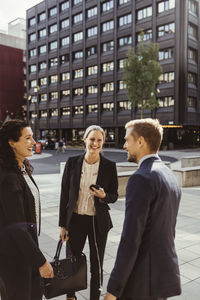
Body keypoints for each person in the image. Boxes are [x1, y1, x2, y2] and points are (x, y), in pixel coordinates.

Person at [104, 118, 181, 300]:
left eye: (127, 140)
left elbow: (131, 239)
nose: (124, 146)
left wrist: (113, 290)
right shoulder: (169, 175)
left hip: (142, 282)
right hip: (162, 277)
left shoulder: (141, 178)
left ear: (140, 142)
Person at [59, 125, 118, 300]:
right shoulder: (72, 163)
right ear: (85, 140)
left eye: (99, 140)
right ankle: (71, 296)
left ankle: (95, 298)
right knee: (72, 261)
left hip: (97, 222)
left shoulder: (109, 166)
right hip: (75, 220)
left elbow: (114, 195)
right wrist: (63, 225)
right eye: (92, 139)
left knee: (96, 265)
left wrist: (104, 195)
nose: (95, 143)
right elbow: (64, 196)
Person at [0, 119, 54, 300]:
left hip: (25, 253)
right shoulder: (8, 178)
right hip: (15, 258)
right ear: (11, 143)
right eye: (28, 138)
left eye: (33, 138)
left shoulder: (21, 169)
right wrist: (41, 261)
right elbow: (17, 227)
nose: (34, 143)